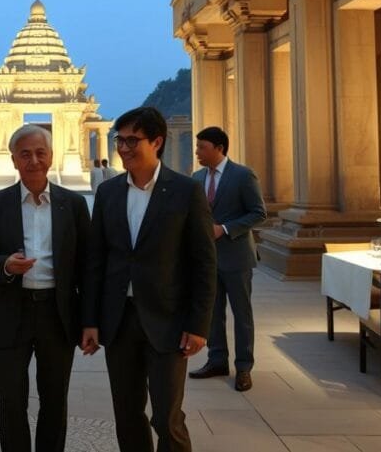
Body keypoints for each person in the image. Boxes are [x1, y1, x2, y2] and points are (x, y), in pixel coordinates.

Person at [81, 106, 217, 452]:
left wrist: (199, 325)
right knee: (127, 414)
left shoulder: (186, 191)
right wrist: (91, 321)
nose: (123, 148)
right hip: (119, 320)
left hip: (168, 320)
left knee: (167, 418)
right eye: (119, 140)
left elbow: (203, 263)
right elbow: (96, 261)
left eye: (132, 140)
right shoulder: (109, 193)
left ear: (156, 142)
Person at [0, 125, 91, 452]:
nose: (34, 160)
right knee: (11, 399)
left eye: (41, 153)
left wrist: (90, 320)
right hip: (13, 311)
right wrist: (5, 266)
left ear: (51, 157)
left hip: (59, 313)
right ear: (13, 160)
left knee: (55, 398)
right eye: (25, 154)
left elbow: (88, 264)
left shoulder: (74, 204)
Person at [187, 127, 266, 392]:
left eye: (202, 147)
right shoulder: (196, 178)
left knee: (241, 314)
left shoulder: (243, 175)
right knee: (212, 313)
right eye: (197, 147)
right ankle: (217, 360)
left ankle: (244, 367)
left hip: (237, 257)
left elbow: (258, 213)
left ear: (219, 148)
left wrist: (225, 228)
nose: (197, 151)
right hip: (207, 259)